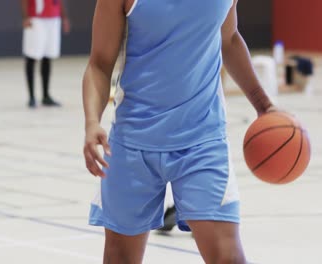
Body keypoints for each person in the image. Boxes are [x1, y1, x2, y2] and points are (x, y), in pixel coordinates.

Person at [82, 0, 281, 262]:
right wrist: (92, 123)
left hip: (202, 139)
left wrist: (264, 105)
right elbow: (99, 63)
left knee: (227, 256)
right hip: (133, 140)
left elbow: (229, 38)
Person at [20, 0, 71, 108]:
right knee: (32, 56)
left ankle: (46, 95)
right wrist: (25, 17)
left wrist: (64, 16)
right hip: (36, 18)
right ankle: (31, 96)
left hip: (53, 17)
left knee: (48, 56)